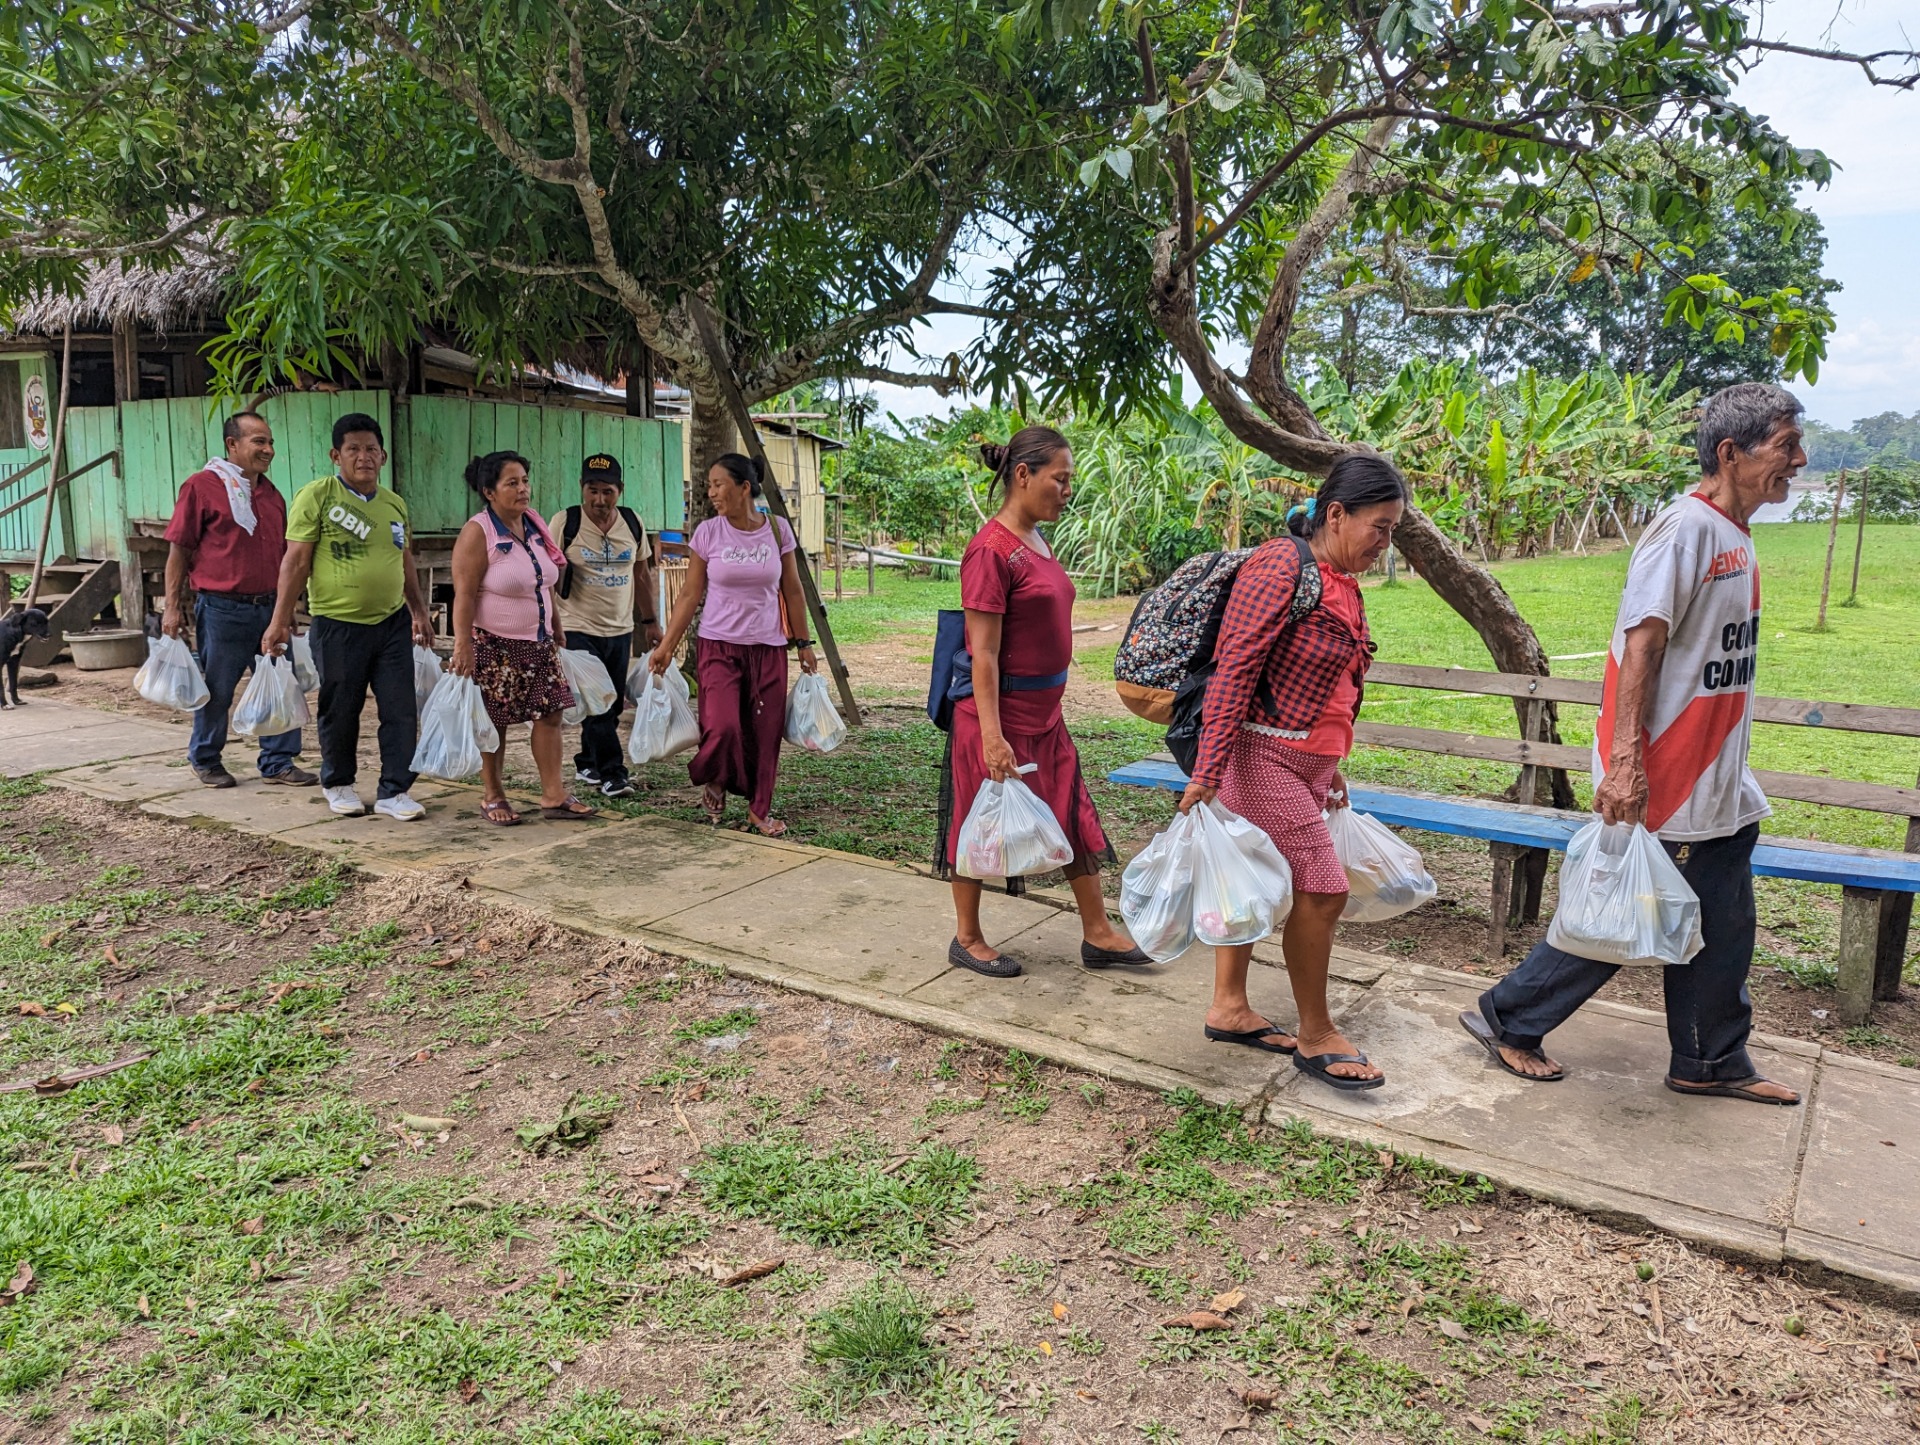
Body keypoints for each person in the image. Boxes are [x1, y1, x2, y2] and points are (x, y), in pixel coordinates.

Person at [1462, 382, 1807, 1107]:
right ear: (1729, 452)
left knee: (1724, 921)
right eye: (1784, 447)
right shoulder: (1683, 530)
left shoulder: (1734, 534)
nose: (1798, 460)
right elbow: (1640, 645)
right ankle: (1509, 1017)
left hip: (1717, 780)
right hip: (1666, 774)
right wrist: (1626, 762)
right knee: (1627, 914)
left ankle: (1709, 1059)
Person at [1177, 455, 1409, 1092]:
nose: (1386, 543)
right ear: (1336, 514)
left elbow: (1332, 685)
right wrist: (1208, 769)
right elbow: (1235, 669)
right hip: (1259, 756)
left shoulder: (1342, 580)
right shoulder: (1281, 565)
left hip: (1308, 763)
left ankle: (1229, 1008)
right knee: (1324, 887)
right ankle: (1316, 1033)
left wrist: (1331, 766)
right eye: (1380, 527)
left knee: (1251, 881)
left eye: (1394, 530)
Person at [936, 426, 1148, 979]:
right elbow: (982, 654)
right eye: (1060, 478)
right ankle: (967, 936)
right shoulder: (990, 550)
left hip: (1045, 717)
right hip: (998, 718)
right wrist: (991, 737)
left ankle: (1098, 932)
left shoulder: (1036, 539)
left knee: (1073, 813)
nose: (1067, 490)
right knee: (976, 821)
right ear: (1023, 475)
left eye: (1069, 479)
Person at [262, 413, 435, 820]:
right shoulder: (318, 496)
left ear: (384, 456)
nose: (364, 457)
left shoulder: (394, 504)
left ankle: (395, 790)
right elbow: (296, 561)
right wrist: (279, 619)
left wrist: (419, 611)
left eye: (371, 449)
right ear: (336, 455)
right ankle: (338, 783)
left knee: (400, 708)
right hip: (337, 624)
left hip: (391, 623)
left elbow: (404, 559)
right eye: (353, 449)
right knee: (341, 707)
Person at [647, 453, 813, 834]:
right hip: (718, 646)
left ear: (744, 487)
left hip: (768, 648)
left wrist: (803, 643)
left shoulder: (777, 530)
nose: (711, 493)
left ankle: (759, 810)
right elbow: (689, 594)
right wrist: (668, 645)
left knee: (765, 733)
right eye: (709, 485)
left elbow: (792, 589)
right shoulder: (708, 533)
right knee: (721, 726)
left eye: (718, 484)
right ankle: (717, 777)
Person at [162, 412, 314, 789]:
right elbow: (179, 550)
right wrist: (170, 605)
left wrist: (287, 605)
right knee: (217, 689)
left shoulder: (271, 494)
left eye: (270, 442)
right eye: (258, 442)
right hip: (222, 609)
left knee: (281, 683)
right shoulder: (201, 487)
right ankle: (207, 758)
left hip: (270, 609)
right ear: (232, 445)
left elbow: (285, 556)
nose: (268, 450)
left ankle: (278, 760)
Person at [449, 451, 597, 826]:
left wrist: (556, 623)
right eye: (511, 483)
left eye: (525, 481)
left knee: (550, 714)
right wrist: (462, 643)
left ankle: (553, 794)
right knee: (494, 720)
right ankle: (493, 794)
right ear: (489, 491)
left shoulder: (533, 524)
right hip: (495, 644)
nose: (522, 489)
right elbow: (464, 594)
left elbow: (543, 581)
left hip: (539, 641)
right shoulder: (478, 532)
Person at [556, 452, 662, 798]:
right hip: (576, 626)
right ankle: (613, 773)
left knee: (611, 704)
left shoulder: (631, 522)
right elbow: (545, 574)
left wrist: (650, 622)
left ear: (620, 491)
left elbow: (641, 574)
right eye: (592, 490)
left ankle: (588, 761)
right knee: (597, 701)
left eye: (608, 492)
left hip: (619, 630)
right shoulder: (565, 522)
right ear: (581, 488)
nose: (599, 500)